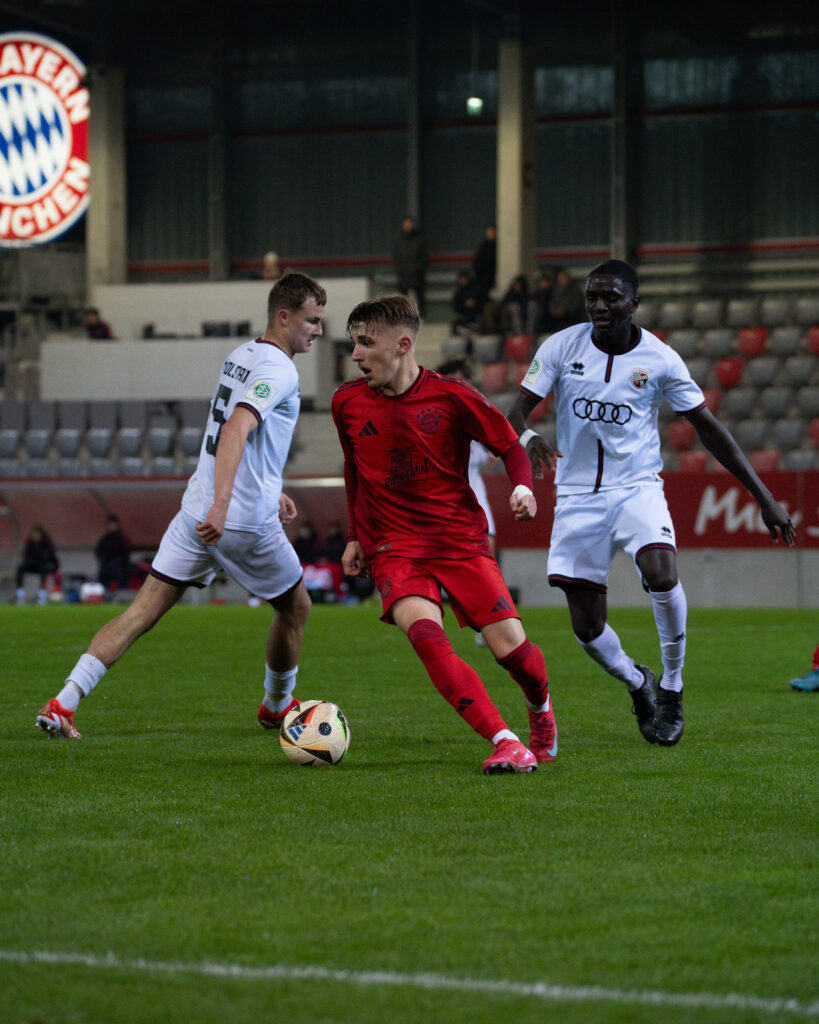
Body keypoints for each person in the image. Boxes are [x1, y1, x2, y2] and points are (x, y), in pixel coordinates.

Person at [508, 259, 795, 747]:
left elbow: (709, 429)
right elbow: (512, 412)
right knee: (586, 628)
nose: (600, 306)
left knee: (661, 572)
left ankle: (672, 685)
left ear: (634, 303)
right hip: (577, 496)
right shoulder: (560, 346)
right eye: (593, 297)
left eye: (611, 297)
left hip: (636, 486)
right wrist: (530, 434)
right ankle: (638, 681)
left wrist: (765, 498)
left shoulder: (661, 360)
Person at [36, 271, 327, 739]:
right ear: (284, 315)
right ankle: (277, 707)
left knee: (140, 613)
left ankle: (63, 702)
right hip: (239, 522)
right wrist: (228, 504)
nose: (318, 330)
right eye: (312, 321)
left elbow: (243, 441)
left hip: (196, 509)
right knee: (296, 607)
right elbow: (235, 430)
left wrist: (265, 489)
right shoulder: (281, 369)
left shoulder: (241, 355)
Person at [332, 295, 557, 774]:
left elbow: (511, 447)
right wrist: (355, 535)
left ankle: (541, 710)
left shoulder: (452, 397)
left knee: (513, 654)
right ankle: (505, 740)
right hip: (393, 547)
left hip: (459, 541)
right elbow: (354, 469)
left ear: (403, 345)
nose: (356, 356)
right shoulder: (346, 403)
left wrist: (523, 487)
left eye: (366, 344)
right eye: (354, 344)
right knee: (428, 639)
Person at [392, 215, 428, 317]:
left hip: (417, 274)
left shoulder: (420, 240)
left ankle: (421, 316)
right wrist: (400, 270)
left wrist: (418, 269)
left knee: (420, 296)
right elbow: (396, 257)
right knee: (403, 298)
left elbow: (423, 256)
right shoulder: (399, 240)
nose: (407, 227)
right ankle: (405, 316)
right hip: (404, 274)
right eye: (406, 225)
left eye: (409, 224)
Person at [16, 524, 60, 605]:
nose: (35, 536)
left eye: (37, 534)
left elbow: (51, 558)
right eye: (34, 534)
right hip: (31, 564)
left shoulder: (46, 544)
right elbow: (26, 556)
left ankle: (42, 594)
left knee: (44, 571)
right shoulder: (30, 544)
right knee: (20, 568)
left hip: (42, 566)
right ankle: (20, 594)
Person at [95, 514, 131, 596]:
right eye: (110, 525)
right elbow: (99, 552)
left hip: (120, 567)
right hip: (106, 568)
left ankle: (122, 595)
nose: (112, 527)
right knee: (103, 575)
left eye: (113, 525)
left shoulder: (122, 538)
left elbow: (125, 554)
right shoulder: (104, 539)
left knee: (119, 573)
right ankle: (105, 595)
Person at [471, 225, 497, 309]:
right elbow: (477, 263)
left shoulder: (498, 247)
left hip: (491, 279)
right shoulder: (483, 247)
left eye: (493, 232)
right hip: (481, 279)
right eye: (489, 232)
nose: (491, 234)